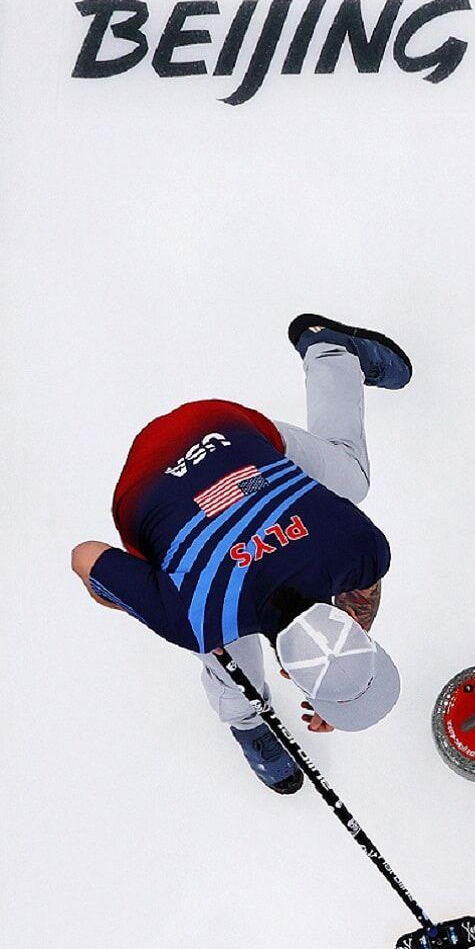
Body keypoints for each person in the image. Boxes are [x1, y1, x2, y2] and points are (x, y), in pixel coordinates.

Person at [69, 315, 412, 794]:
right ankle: (249, 724)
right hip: (157, 477)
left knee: (348, 480)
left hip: (226, 435)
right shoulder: (195, 617)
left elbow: (86, 556)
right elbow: (88, 554)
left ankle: (331, 353)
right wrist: (132, 591)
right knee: (233, 664)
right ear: (290, 672)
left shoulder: (359, 549)